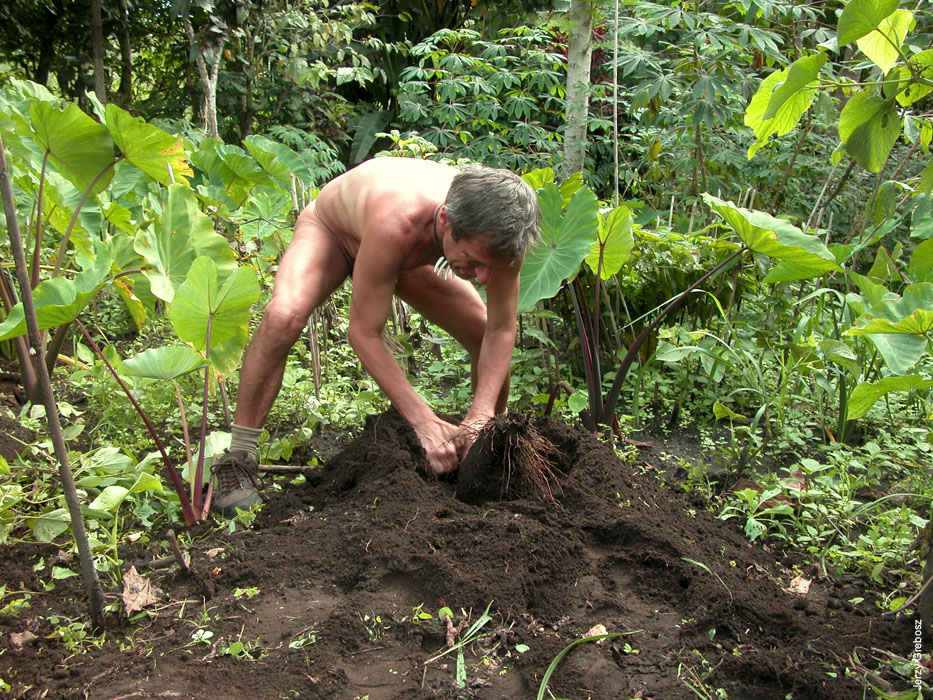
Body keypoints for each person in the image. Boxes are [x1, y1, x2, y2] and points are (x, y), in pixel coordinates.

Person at [212, 157, 541, 516]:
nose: (480, 278)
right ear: (446, 220)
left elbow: (501, 328)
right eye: (473, 260)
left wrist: (480, 414)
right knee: (283, 316)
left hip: (404, 254)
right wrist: (425, 422)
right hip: (335, 232)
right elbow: (364, 333)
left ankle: (485, 448)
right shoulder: (399, 219)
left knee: (479, 330)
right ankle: (238, 459)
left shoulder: (505, 238)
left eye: (487, 266)